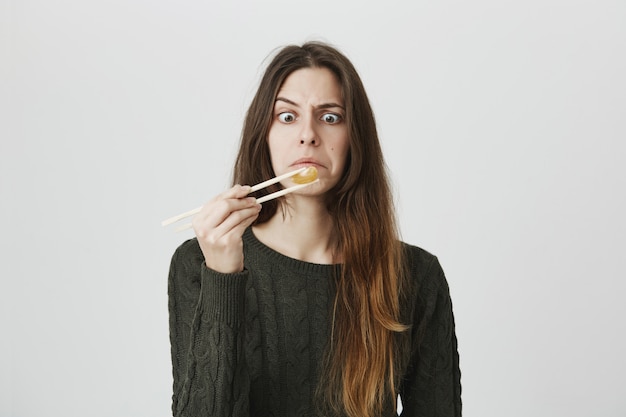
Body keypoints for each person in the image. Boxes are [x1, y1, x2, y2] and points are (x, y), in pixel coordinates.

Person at [167, 41, 461, 417]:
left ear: (355, 137)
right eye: (287, 117)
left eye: (330, 117)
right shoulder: (199, 262)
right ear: (265, 135)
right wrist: (223, 278)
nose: (308, 134)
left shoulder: (416, 276)